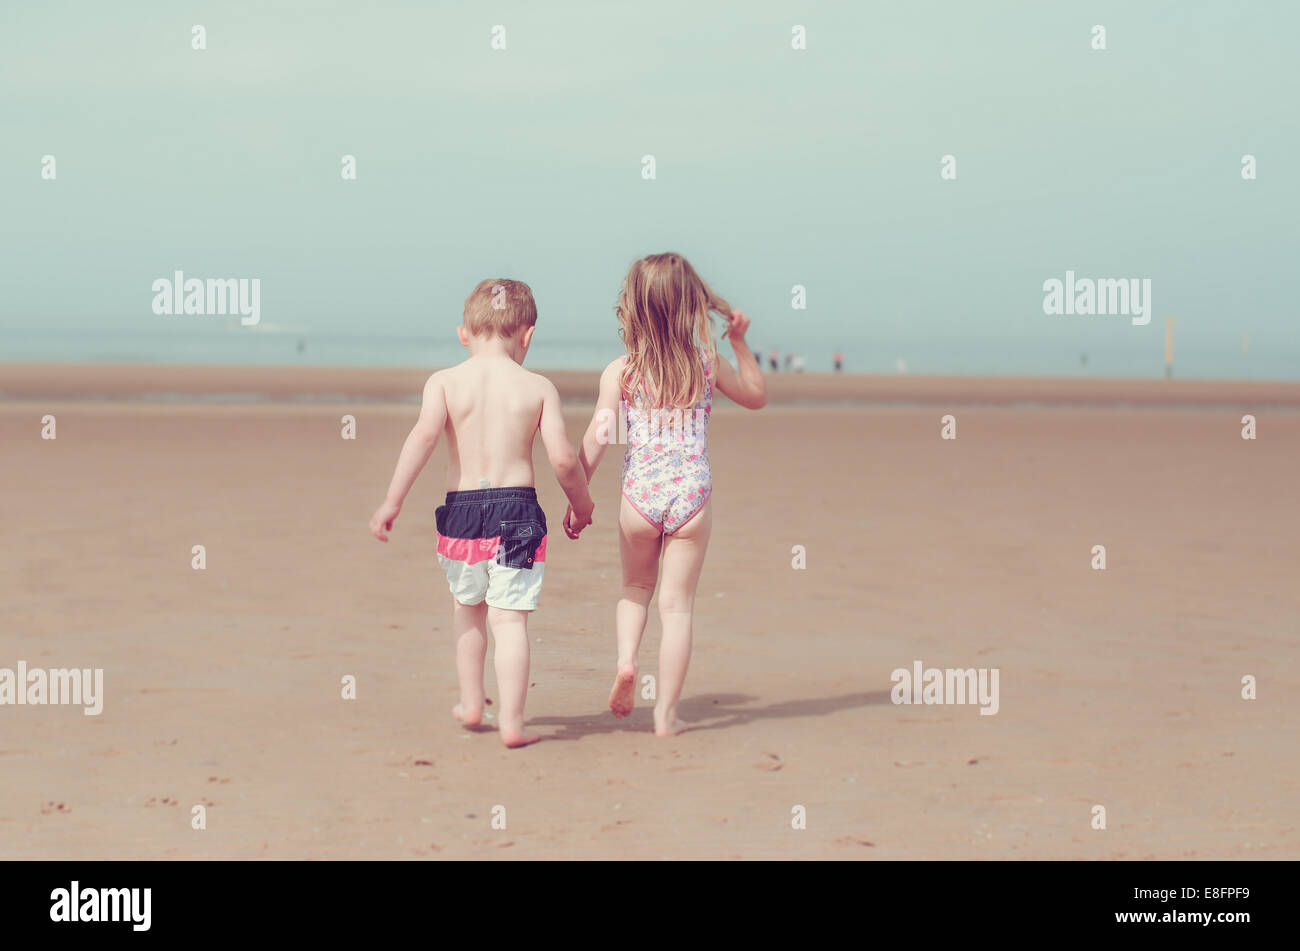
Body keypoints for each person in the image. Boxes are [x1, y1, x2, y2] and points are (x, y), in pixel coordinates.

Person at [368, 279, 595, 748]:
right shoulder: (537, 387)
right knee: (509, 619)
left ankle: (472, 705)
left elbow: (422, 439)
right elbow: (563, 460)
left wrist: (392, 501)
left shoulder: (445, 383)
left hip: (462, 513)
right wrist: (581, 504)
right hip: (517, 512)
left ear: (464, 334)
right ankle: (512, 723)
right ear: (527, 335)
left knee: (467, 609)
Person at [568, 253, 766, 735]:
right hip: (692, 498)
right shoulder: (706, 362)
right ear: (690, 305)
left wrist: (577, 498)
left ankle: (626, 663)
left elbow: (597, 437)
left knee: (635, 589)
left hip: (639, 498)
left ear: (633, 307)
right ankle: (665, 715)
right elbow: (756, 395)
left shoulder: (622, 372)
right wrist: (739, 343)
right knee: (677, 607)